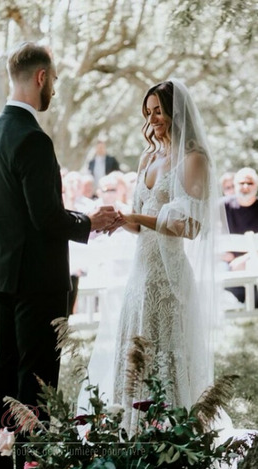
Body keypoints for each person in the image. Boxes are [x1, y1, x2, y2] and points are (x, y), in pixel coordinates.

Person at [0, 42, 117, 469]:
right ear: (41, 78)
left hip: (4, 275)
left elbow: (16, 211)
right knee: (37, 378)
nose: (52, 88)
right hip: (37, 280)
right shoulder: (32, 138)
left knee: (6, 371)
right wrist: (89, 220)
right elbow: (46, 217)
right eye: (53, 80)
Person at [84, 80, 219, 435]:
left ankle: (172, 433)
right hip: (140, 275)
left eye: (158, 110)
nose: (153, 118)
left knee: (167, 356)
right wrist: (119, 220)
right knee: (136, 355)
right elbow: (141, 222)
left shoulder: (193, 160)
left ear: (177, 111)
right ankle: (133, 429)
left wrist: (136, 218)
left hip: (169, 276)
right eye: (148, 112)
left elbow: (189, 226)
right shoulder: (149, 156)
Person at [221, 167, 258, 306]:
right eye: (241, 183)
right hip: (227, 262)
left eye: (250, 183)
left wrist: (246, 258)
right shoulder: (222, 206)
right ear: (235, 185)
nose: (245, 187)